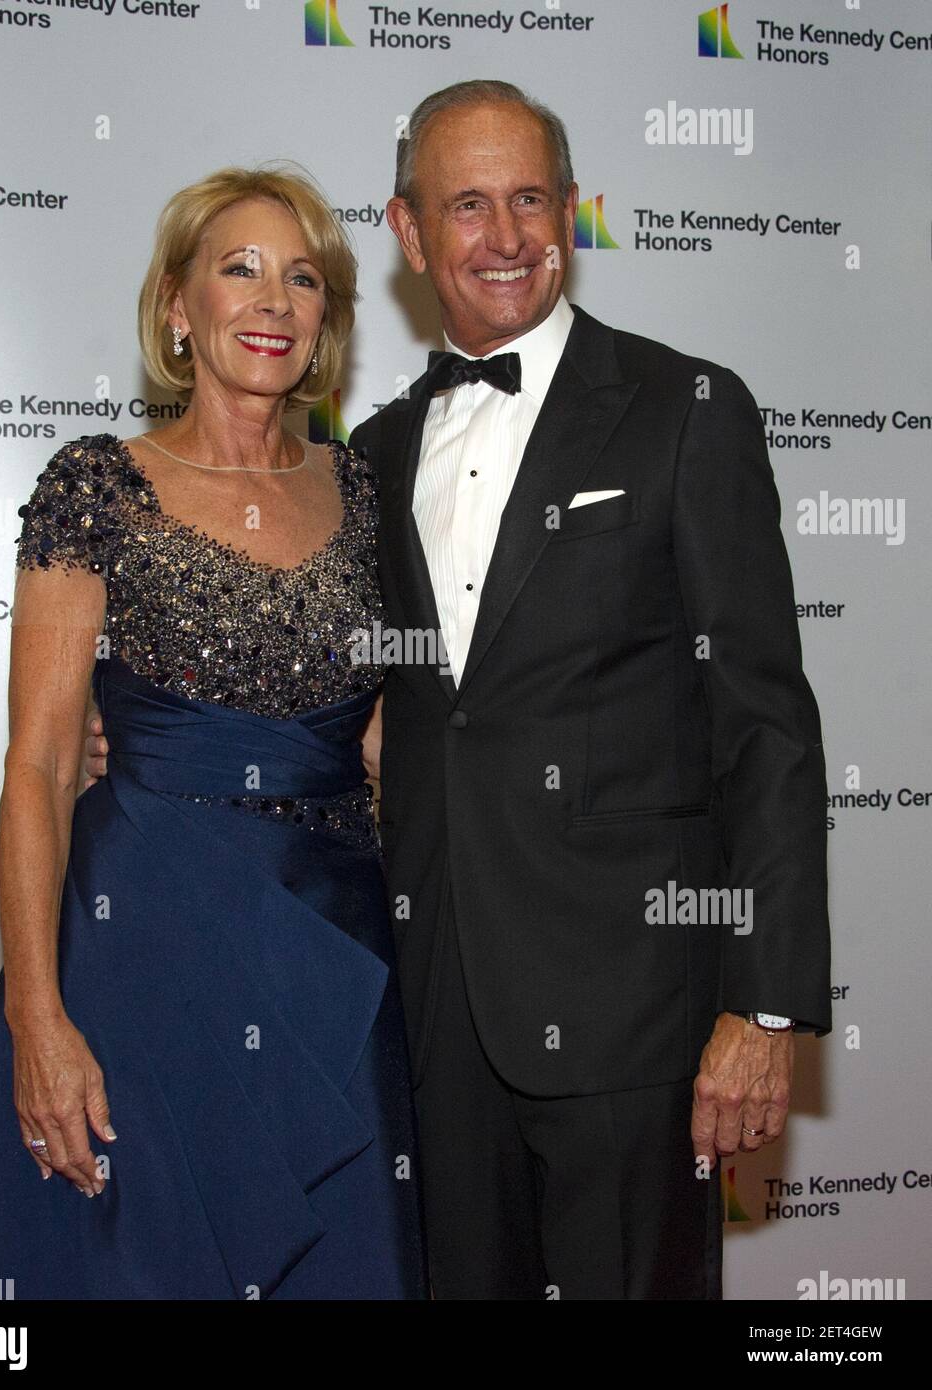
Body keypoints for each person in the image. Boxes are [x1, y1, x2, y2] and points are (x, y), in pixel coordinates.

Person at [85, 83, 833, 1300]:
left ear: (571, 213)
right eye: (467, 205)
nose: (504, 235)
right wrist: (139, 748)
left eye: (530, 198)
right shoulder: (366, 459)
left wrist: (765, 1005)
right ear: (410, 234)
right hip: (429, 1020)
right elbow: (319, 679)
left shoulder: (685, 410)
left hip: (634, 1022)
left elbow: (768, 727)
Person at [0, 166, 427, 1301]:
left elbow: (393, 737)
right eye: (238, 269)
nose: (274, 300)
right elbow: (39, 766)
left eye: (303, 279)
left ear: (327, 318)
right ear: (177, 307)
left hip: (335, 962)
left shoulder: (369, 489)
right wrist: (39, 1016)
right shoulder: (98, 484)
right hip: (140, 954)